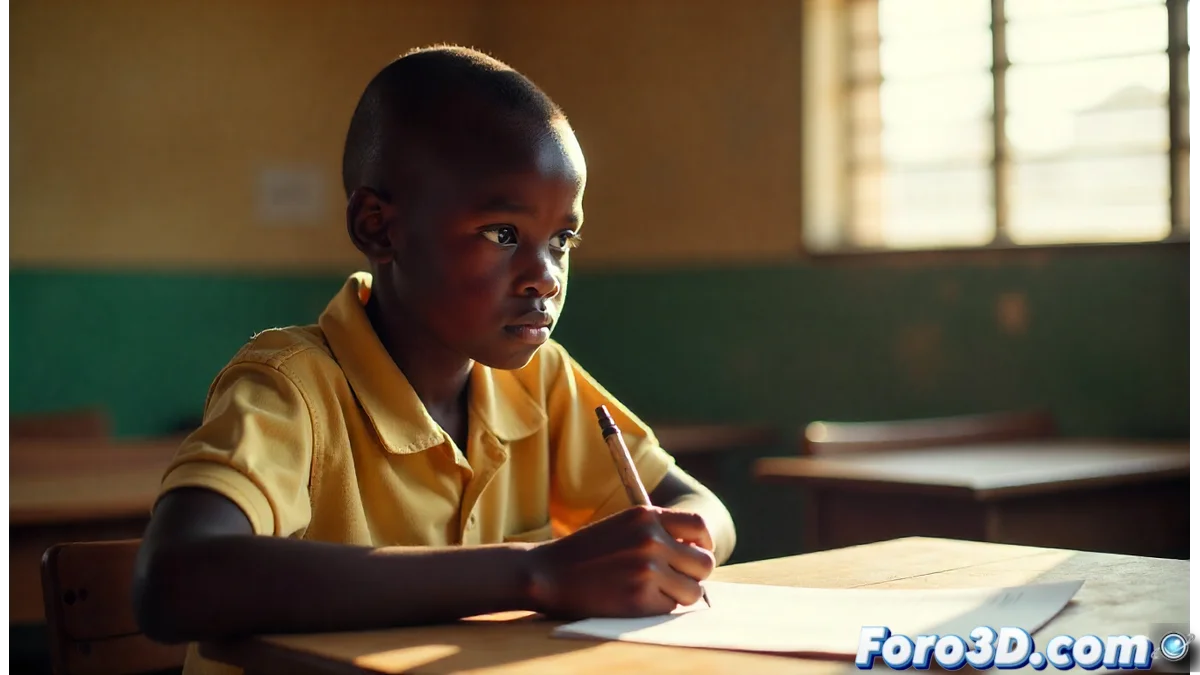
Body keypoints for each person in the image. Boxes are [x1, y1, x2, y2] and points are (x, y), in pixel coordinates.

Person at [133, 45, 737, 675]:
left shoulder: (542, 379)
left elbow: (704, 509)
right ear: (378, 227)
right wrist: (535, 572)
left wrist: (675, 545)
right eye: (503, 234)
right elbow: (175, 580)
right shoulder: (293, 385)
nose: (546, 277)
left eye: (562, 240)